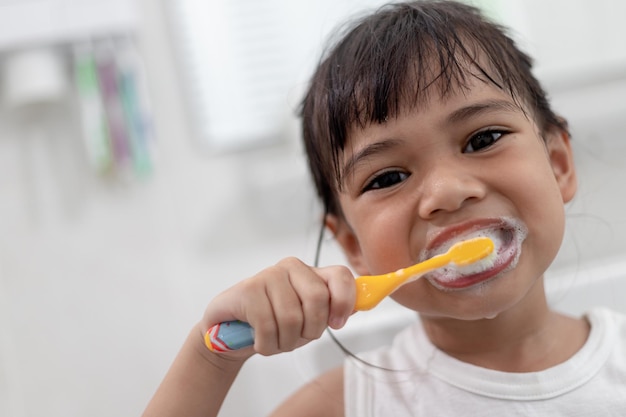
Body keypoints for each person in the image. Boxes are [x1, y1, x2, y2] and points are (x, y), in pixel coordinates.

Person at [142, 1, 626, 416]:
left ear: (559, 163)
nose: (447, 193)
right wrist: (211, 357)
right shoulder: (346, 405)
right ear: (352, 243)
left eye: (483, 139)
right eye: (388, 178)